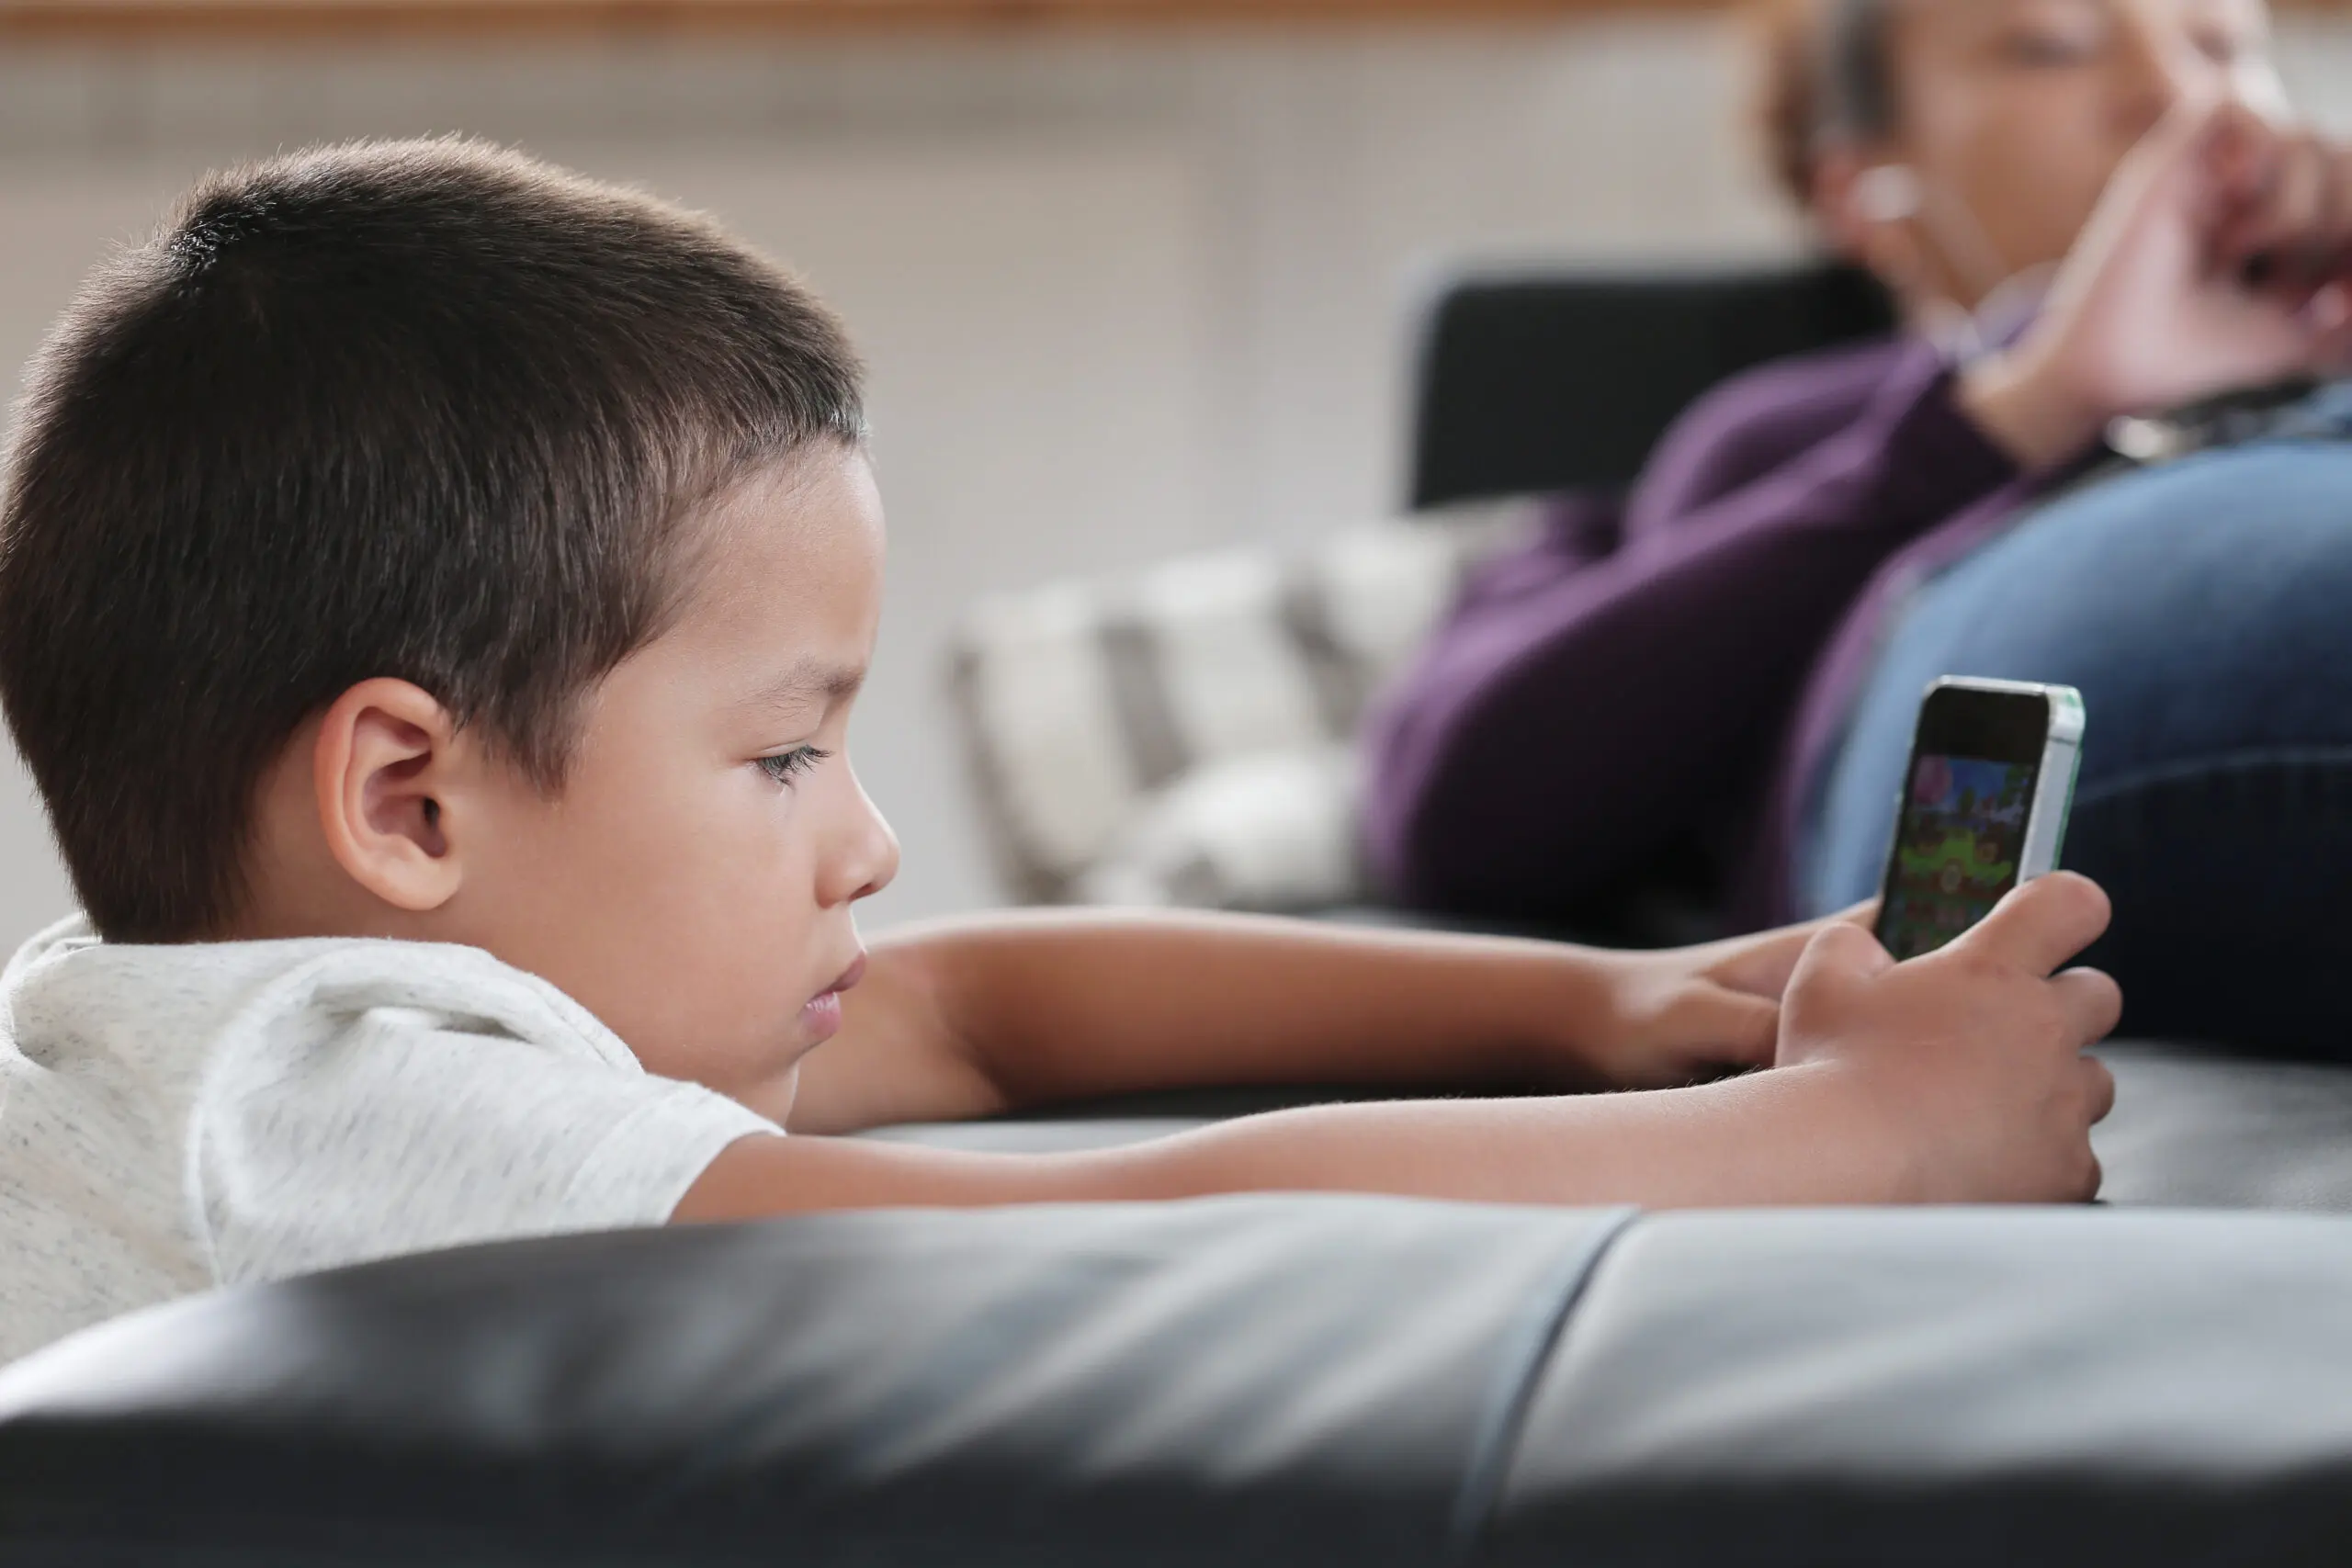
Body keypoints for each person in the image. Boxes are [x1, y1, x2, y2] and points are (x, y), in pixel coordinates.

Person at [0, 141, 2120, 1367]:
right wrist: (1853, 1139)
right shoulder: (334, 1094)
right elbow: (1070, 1235)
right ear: (408, 798)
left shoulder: (313, 1004)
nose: (867, 836)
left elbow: (978, 1010)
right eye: (783, 754)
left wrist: (1602, 1002)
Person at [1363, 0, 2352, 1051]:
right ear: (1864, 194)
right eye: (2048, 46)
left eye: (2221, 46)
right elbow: (1456, 811)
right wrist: (2026, 409)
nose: (2185, 98)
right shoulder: (1793, 440)